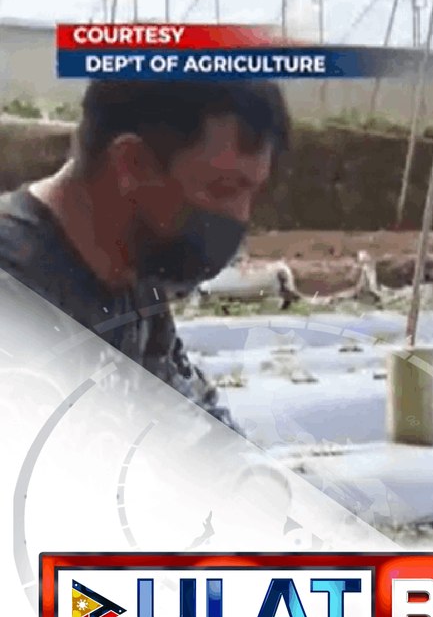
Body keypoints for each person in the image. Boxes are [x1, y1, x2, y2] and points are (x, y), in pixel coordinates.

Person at [0, 81, 290, 432]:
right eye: (224, 190)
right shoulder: (15, 292)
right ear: (132, 164)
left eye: (252, 194)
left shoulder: (136, 263)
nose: (240, 215)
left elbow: (191, 422)